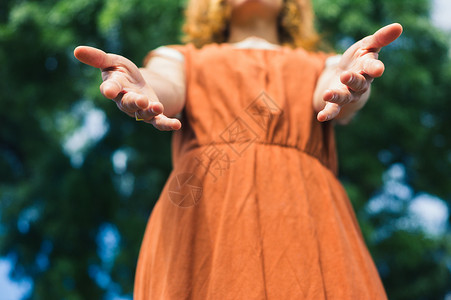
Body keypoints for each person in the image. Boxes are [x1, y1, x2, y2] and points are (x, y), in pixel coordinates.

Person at [74, 0, 402, 298]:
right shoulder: (180, 57)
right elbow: (163, 85)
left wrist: (351, 80)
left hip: (305, 212)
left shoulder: (324, 63)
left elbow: (335, 94)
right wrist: (142, 87)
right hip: (203, 218)